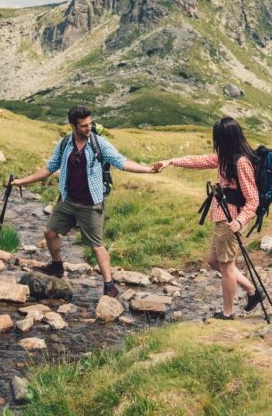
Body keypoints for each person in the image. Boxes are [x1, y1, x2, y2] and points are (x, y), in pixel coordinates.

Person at [11, 105, 160, 297]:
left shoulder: (99, 143)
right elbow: (49, 168)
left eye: (90, 124)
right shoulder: (65, 144)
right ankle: (57, 267)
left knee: (96, 245)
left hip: (91, 204)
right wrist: (21, 182)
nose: (88, 128)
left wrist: (148, 169)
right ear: (72, 125)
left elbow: (121, 162)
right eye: (83, 126)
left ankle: (109, 285)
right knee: (49, 232)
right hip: (67, 200)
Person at [156, 117, 264, 320]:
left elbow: (253, 199)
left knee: (227, 267)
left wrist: (240, 221)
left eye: (218, 139)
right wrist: (171, 161)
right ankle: (252, 291)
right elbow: (200, 160)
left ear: (227, 139)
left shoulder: (241, 162)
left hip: (230, 220)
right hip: (222, 217)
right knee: (214, 261)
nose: (216, 144)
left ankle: (228, 313)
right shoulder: (226, 157)